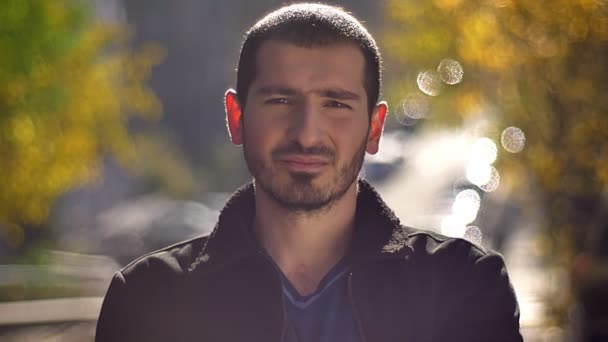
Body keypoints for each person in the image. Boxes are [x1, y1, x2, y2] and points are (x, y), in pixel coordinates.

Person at [95, 3, 523, 341]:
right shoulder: (150, 297)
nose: (306, 132)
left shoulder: (462, 285)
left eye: (335, 104)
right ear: (237, 116)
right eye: (281, 100)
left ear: (374, 128)